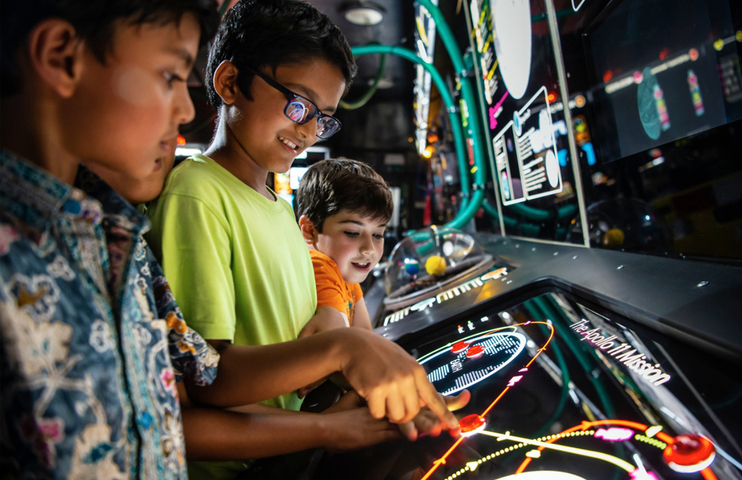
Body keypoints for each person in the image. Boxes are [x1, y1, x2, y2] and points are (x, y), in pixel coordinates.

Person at [144, 1, 462, 478]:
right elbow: (206, 380)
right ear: (230, 83)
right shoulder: (198, 194)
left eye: (324, 118)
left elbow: (289, 341)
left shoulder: (275, 204)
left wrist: (368, 386)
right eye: (299, 104)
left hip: (286, 449)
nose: (309, 130)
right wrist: (339, 382)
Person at [0, 1, 220, 477]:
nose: (185, 109)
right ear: (61, 57)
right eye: (169, 76)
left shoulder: (118, 237)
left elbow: (202, 373)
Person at [296, 158, 392, 333]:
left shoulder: (345, 272)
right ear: (310, 230)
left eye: (377, 234)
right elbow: (339, 345)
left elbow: (364, 334)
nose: (369, 249)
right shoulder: (320, 265)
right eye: (353, 233)